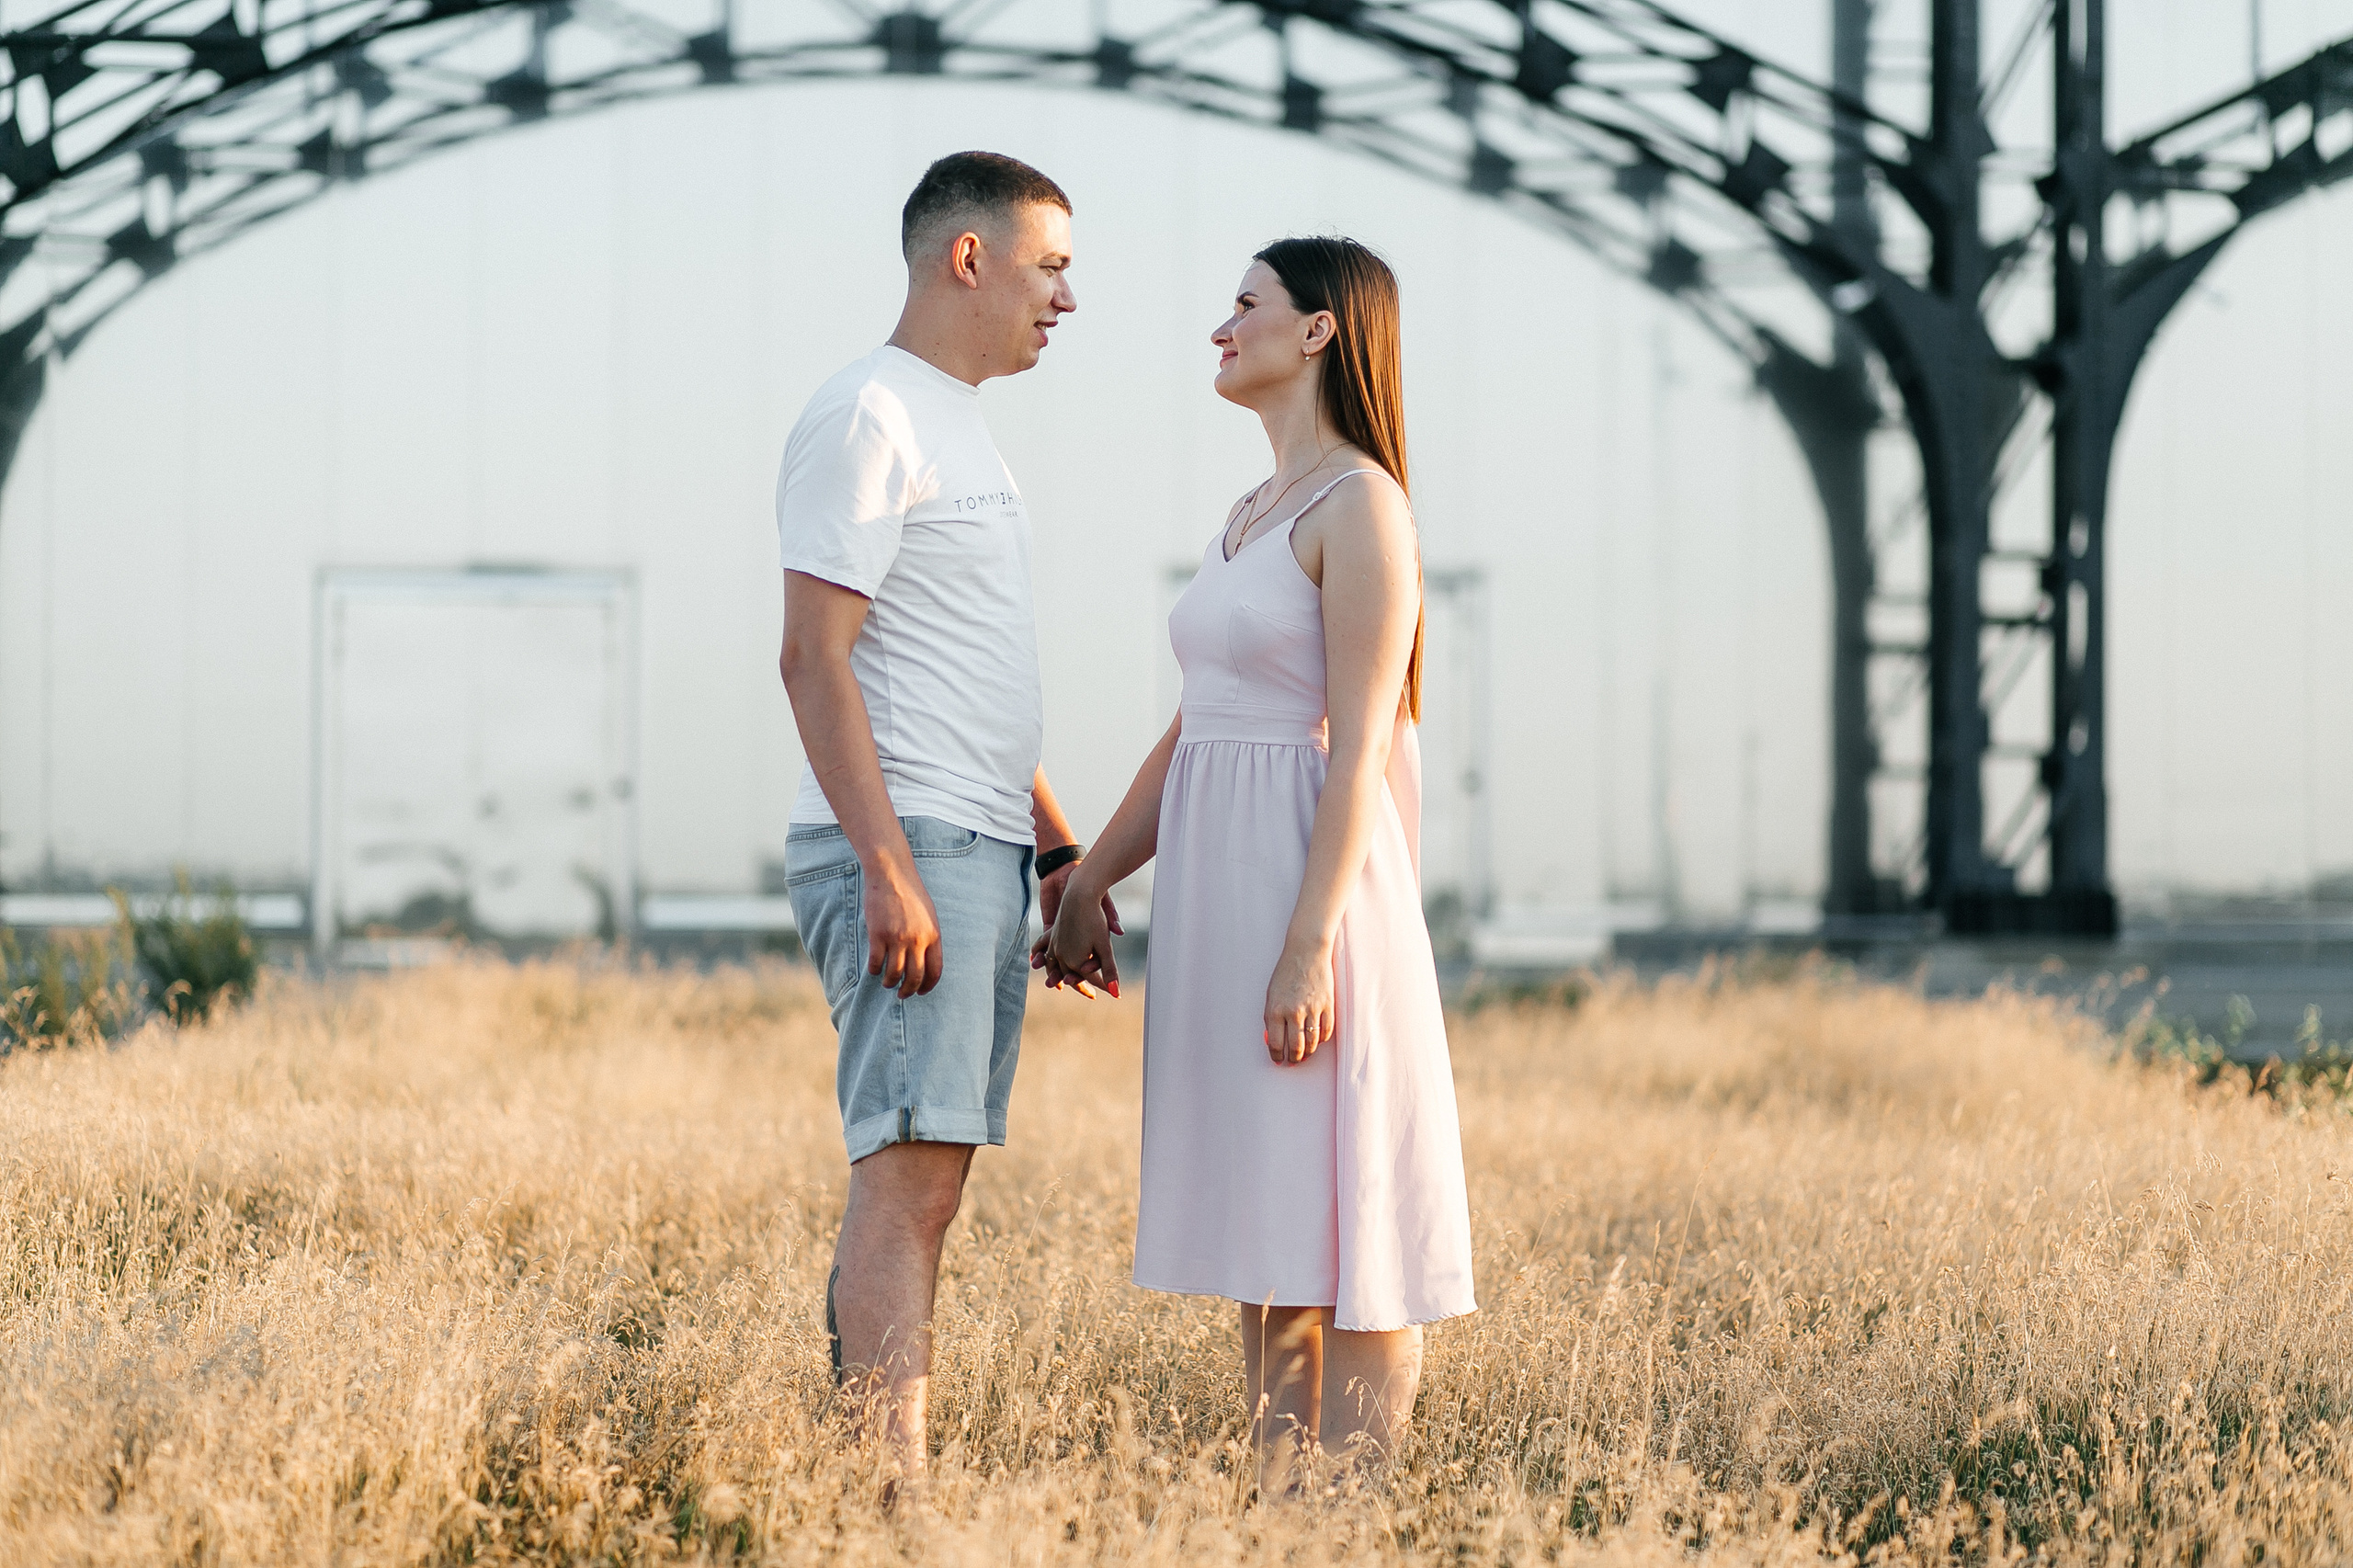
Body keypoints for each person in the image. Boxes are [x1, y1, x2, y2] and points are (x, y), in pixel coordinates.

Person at [1042, 236, 1476, 1486]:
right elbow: (1196, 735)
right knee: (1270, 1227)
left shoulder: (1364, 509)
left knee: (1349, 1227)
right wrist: (1086, 883)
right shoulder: (1249, 515)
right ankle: (1277, 1505)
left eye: (1245, 306)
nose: (1220, 329)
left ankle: (1349, 1509)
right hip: (1225, 897)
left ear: (1321, 331)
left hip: (1315, 896)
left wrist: (1308, 949)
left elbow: (1352, 754)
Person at [775, 150, 1119, 1483]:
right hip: (908, 840)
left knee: (934, 1174)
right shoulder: (870, 414)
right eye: (1051, 266)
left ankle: (884, 1462)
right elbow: (815, 655)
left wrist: (1056, 846)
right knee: (908, 1174)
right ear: (965, 258)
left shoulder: (956, 420)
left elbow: (958, 670)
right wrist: (885, 860)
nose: (1066, 299)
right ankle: (887, 1489)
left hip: (972, 840)